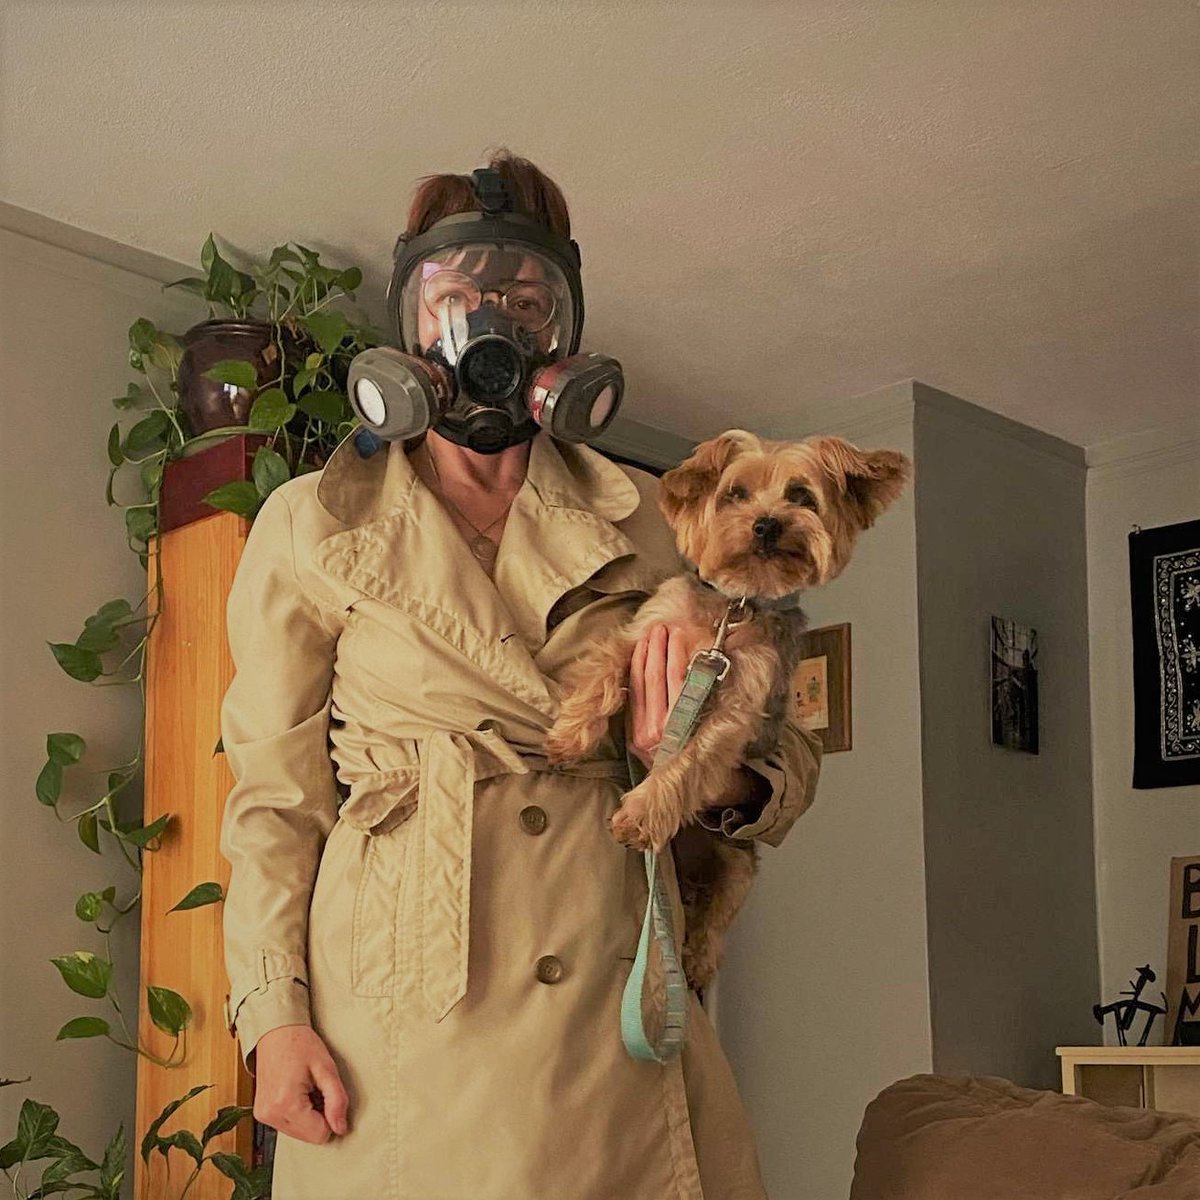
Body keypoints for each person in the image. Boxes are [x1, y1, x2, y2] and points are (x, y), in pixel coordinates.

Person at [218, 149, 824, 1199]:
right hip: (400, 1009)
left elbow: (784, 755)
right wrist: (273, 1015)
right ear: (410, 320)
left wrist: (690, 763)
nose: (487, 325)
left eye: (524, 298)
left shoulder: (658, 514)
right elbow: (274, 799)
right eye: (456, 296)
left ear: (563, 332)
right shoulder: (311, 523)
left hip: (612, 1000)